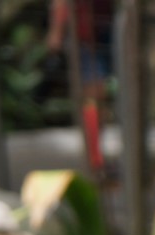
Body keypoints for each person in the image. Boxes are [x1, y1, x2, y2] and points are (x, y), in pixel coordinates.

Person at [46, 0, 116, 178]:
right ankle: (95, 160)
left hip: (102, 30)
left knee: (99, 99)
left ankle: (96, 157)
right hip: (83, 36)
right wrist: (57, 31)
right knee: (93, 96)